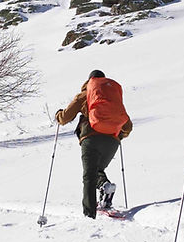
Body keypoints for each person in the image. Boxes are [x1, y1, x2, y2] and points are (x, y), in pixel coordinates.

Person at [56, 70, 133, 218]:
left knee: (89, 176)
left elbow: (65, 117)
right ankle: (105, 188)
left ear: (89, 80)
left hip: (91, 138)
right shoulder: (113, 97)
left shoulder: (85, 94)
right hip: (112, 141)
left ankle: (89, 216)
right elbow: (127, 127)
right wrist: (118, 136)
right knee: (97, 170)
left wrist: (58, 115)